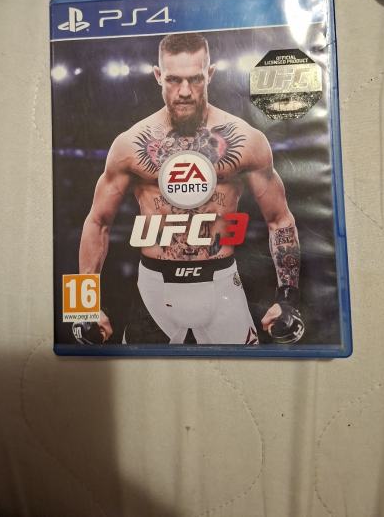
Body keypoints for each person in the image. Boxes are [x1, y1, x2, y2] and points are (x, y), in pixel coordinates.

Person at [76, 32, 303, 345]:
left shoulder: (246, 140)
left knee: (246, 370)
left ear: (210, 74)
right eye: (173, 80)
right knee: (139, 375)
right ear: (158, 76)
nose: (184, 91)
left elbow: (280, 219)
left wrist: (288, 298)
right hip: (154, 290)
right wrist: (81, 306)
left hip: (223, 285)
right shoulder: (130, 144)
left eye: (195, 79)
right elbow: (97, 222)